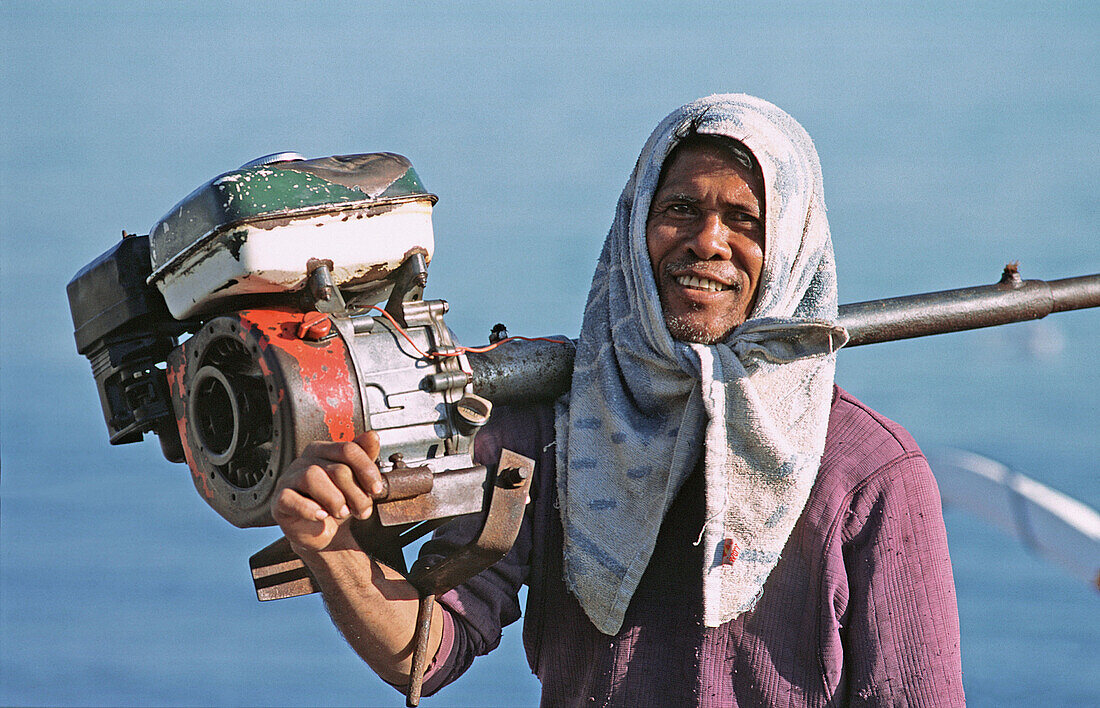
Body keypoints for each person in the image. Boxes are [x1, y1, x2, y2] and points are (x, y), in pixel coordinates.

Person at [272, 94, 966, 706]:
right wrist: (329, 543)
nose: (707, 242)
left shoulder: (871, 475)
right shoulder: (550, 426)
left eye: (746, 221)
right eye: (681, 210)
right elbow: (431, 650)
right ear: (636, 227)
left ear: (791, 250)